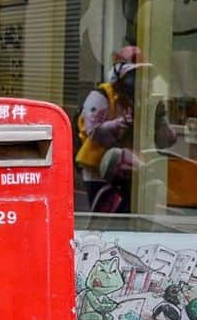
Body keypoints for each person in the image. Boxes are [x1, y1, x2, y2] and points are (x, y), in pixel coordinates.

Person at [76, 45, 177, 214]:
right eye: (134, 75)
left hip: (131, 168)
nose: (141, 82)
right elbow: (91, 131)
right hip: (98, 168)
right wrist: (117, 124)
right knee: (105, 213)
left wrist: (160, 121)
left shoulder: (146, 101)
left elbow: (164, 141)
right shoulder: (101, 96)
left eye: (144, 76)